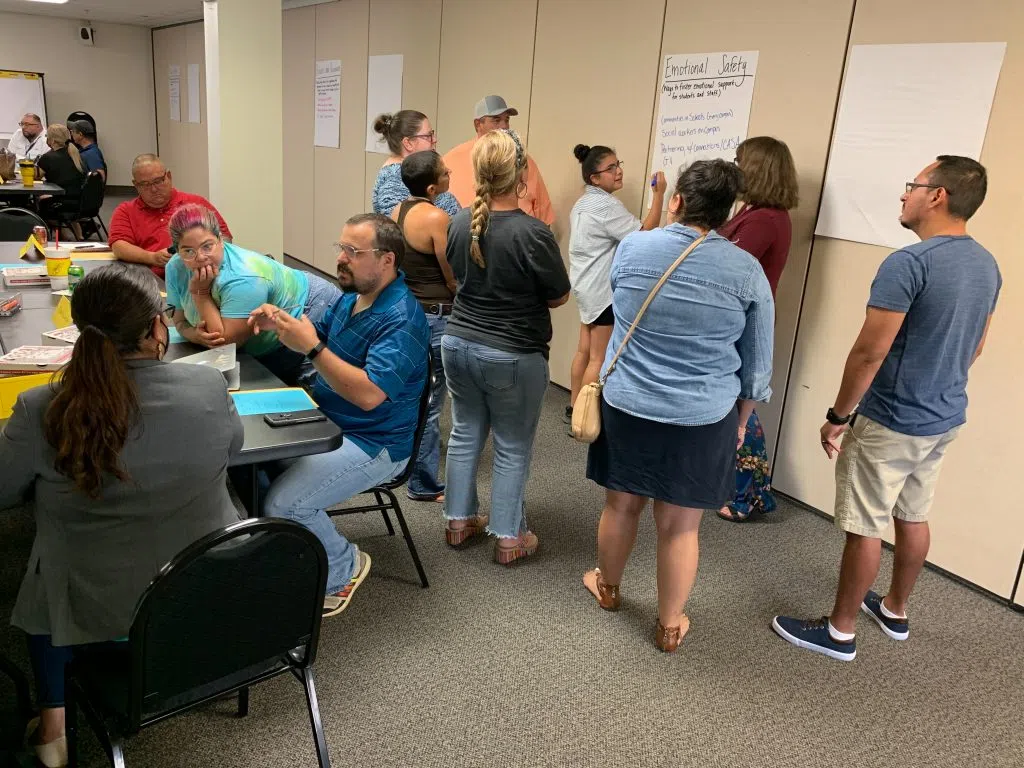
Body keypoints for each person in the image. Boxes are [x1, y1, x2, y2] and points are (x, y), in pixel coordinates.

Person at [0, 263, 243, 768]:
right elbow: (232, 449)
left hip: (93, 606)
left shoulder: (41, 407)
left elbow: (3, 492)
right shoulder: (208, 387)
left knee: (46, 563)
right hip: (199, 593)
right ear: (156, 327)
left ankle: (52, 727)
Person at [772, 156, 999, 662]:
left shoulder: (909, 264)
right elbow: (976, 346)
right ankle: (895, 610)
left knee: (865, 525)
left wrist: (838, 416)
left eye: (912, 185)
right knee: (913, 515)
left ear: (937, 196)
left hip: (892, 420)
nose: (903, 194)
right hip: (943, 417)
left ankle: (839, 632)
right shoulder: (986, 264)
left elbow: (869, 353)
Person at [581, 159, 774, 653]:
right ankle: (669, 626)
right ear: (728, 212)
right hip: (702, 414)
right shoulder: (746, 271)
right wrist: (742, 420)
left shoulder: (634, 248)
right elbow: (757, 366)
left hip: (629, 403)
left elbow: (621, 309)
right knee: (681, 526)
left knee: (621, 505)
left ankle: (608, 587)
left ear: (678, 201)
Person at [253, 213, 430, 617]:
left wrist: (312, 348)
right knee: (252, 462)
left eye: (353, 251)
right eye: (341, 248)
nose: (341, 258)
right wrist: (279, 322)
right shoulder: (352, 298)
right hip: (331, 424)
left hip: (375, 443)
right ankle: (289, 552)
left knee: (284, 504)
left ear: (387, 259)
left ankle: (343, 566)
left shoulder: (401, 318)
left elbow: (368, 396)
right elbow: (313, 333)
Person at [441, 129, 570, 563]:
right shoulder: (534, 233)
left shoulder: (458, 222)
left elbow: (458, 277)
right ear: (521, 174)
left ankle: (459, 522)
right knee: (512, 445)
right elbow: (558, 296)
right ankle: (510, 538)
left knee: (464, 432)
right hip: (512, 353)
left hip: (457, 343)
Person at [716, 136, 799, 523]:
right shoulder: (752, 210)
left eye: (739, 161)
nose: (734, 168)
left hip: (745, 321)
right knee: (738, 406)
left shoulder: (766, 219)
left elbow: (727, 266)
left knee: (742, 409)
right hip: (736, 318)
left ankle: (748, 495)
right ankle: (751, 490)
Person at [165, 204, 342, 384]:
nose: (200, 257)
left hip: (309, 307)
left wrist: (200, 293)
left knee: (318, 387)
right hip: (264, 326)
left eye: (207, 246)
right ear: (177, 251)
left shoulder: (245, 277)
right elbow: (179, 322)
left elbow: (225, 344)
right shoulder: (175, 267)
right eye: (188, 251)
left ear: (220, 240)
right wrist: (196, 336)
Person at [566, 143, 666, 424]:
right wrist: (659, 195)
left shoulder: (583, 203)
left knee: (583, 351)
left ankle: (573, 408)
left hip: (585, 287)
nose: (618, 171)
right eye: (611, 168)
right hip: (601, 291)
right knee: (598, 358)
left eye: (618, 164)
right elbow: (644, 232)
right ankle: (583, 419)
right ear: (595, 178)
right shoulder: (605, 205)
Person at [389, 151, 457, 502]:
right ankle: (423, 484)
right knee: (430, 403)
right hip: (436, 317)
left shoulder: (396, 211)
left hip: (410, 313)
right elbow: (452, 274)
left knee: (412, 395)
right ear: (432, 187)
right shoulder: (437, 217)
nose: (450, 173)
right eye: (445, 172)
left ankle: (402, 469)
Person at [108, 154, 233, 279]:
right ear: (136, 185)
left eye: (158, 181)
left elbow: (225, 238)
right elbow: (118, 246)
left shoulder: (196, 203)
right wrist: (152, 257)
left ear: (169, 176)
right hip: (150, 280)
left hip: (198, 275)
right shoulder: (125, 211)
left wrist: (196, 256)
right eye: (145, 184)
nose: (154, 189)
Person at [443, 96, 555, 226]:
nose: (504, 126)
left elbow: (544, 218)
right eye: (496, 120)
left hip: (519, 234)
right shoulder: (451, 160)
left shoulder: (523, 160)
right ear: (478, 124)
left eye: (506, 120)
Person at [371, 110, 460, 217]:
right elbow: (398, 223)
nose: (435, 140)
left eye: (432, 134)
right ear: (408, 143)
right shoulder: (394, 180)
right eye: (428, 135)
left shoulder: (410, 171)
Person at [35, 125, 85, 220]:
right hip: (80, 201)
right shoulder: (75, 155)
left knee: (40, 200)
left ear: (52, 140)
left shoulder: (48, 157)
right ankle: (75, 230)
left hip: (62, 202)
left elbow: (36, 177)